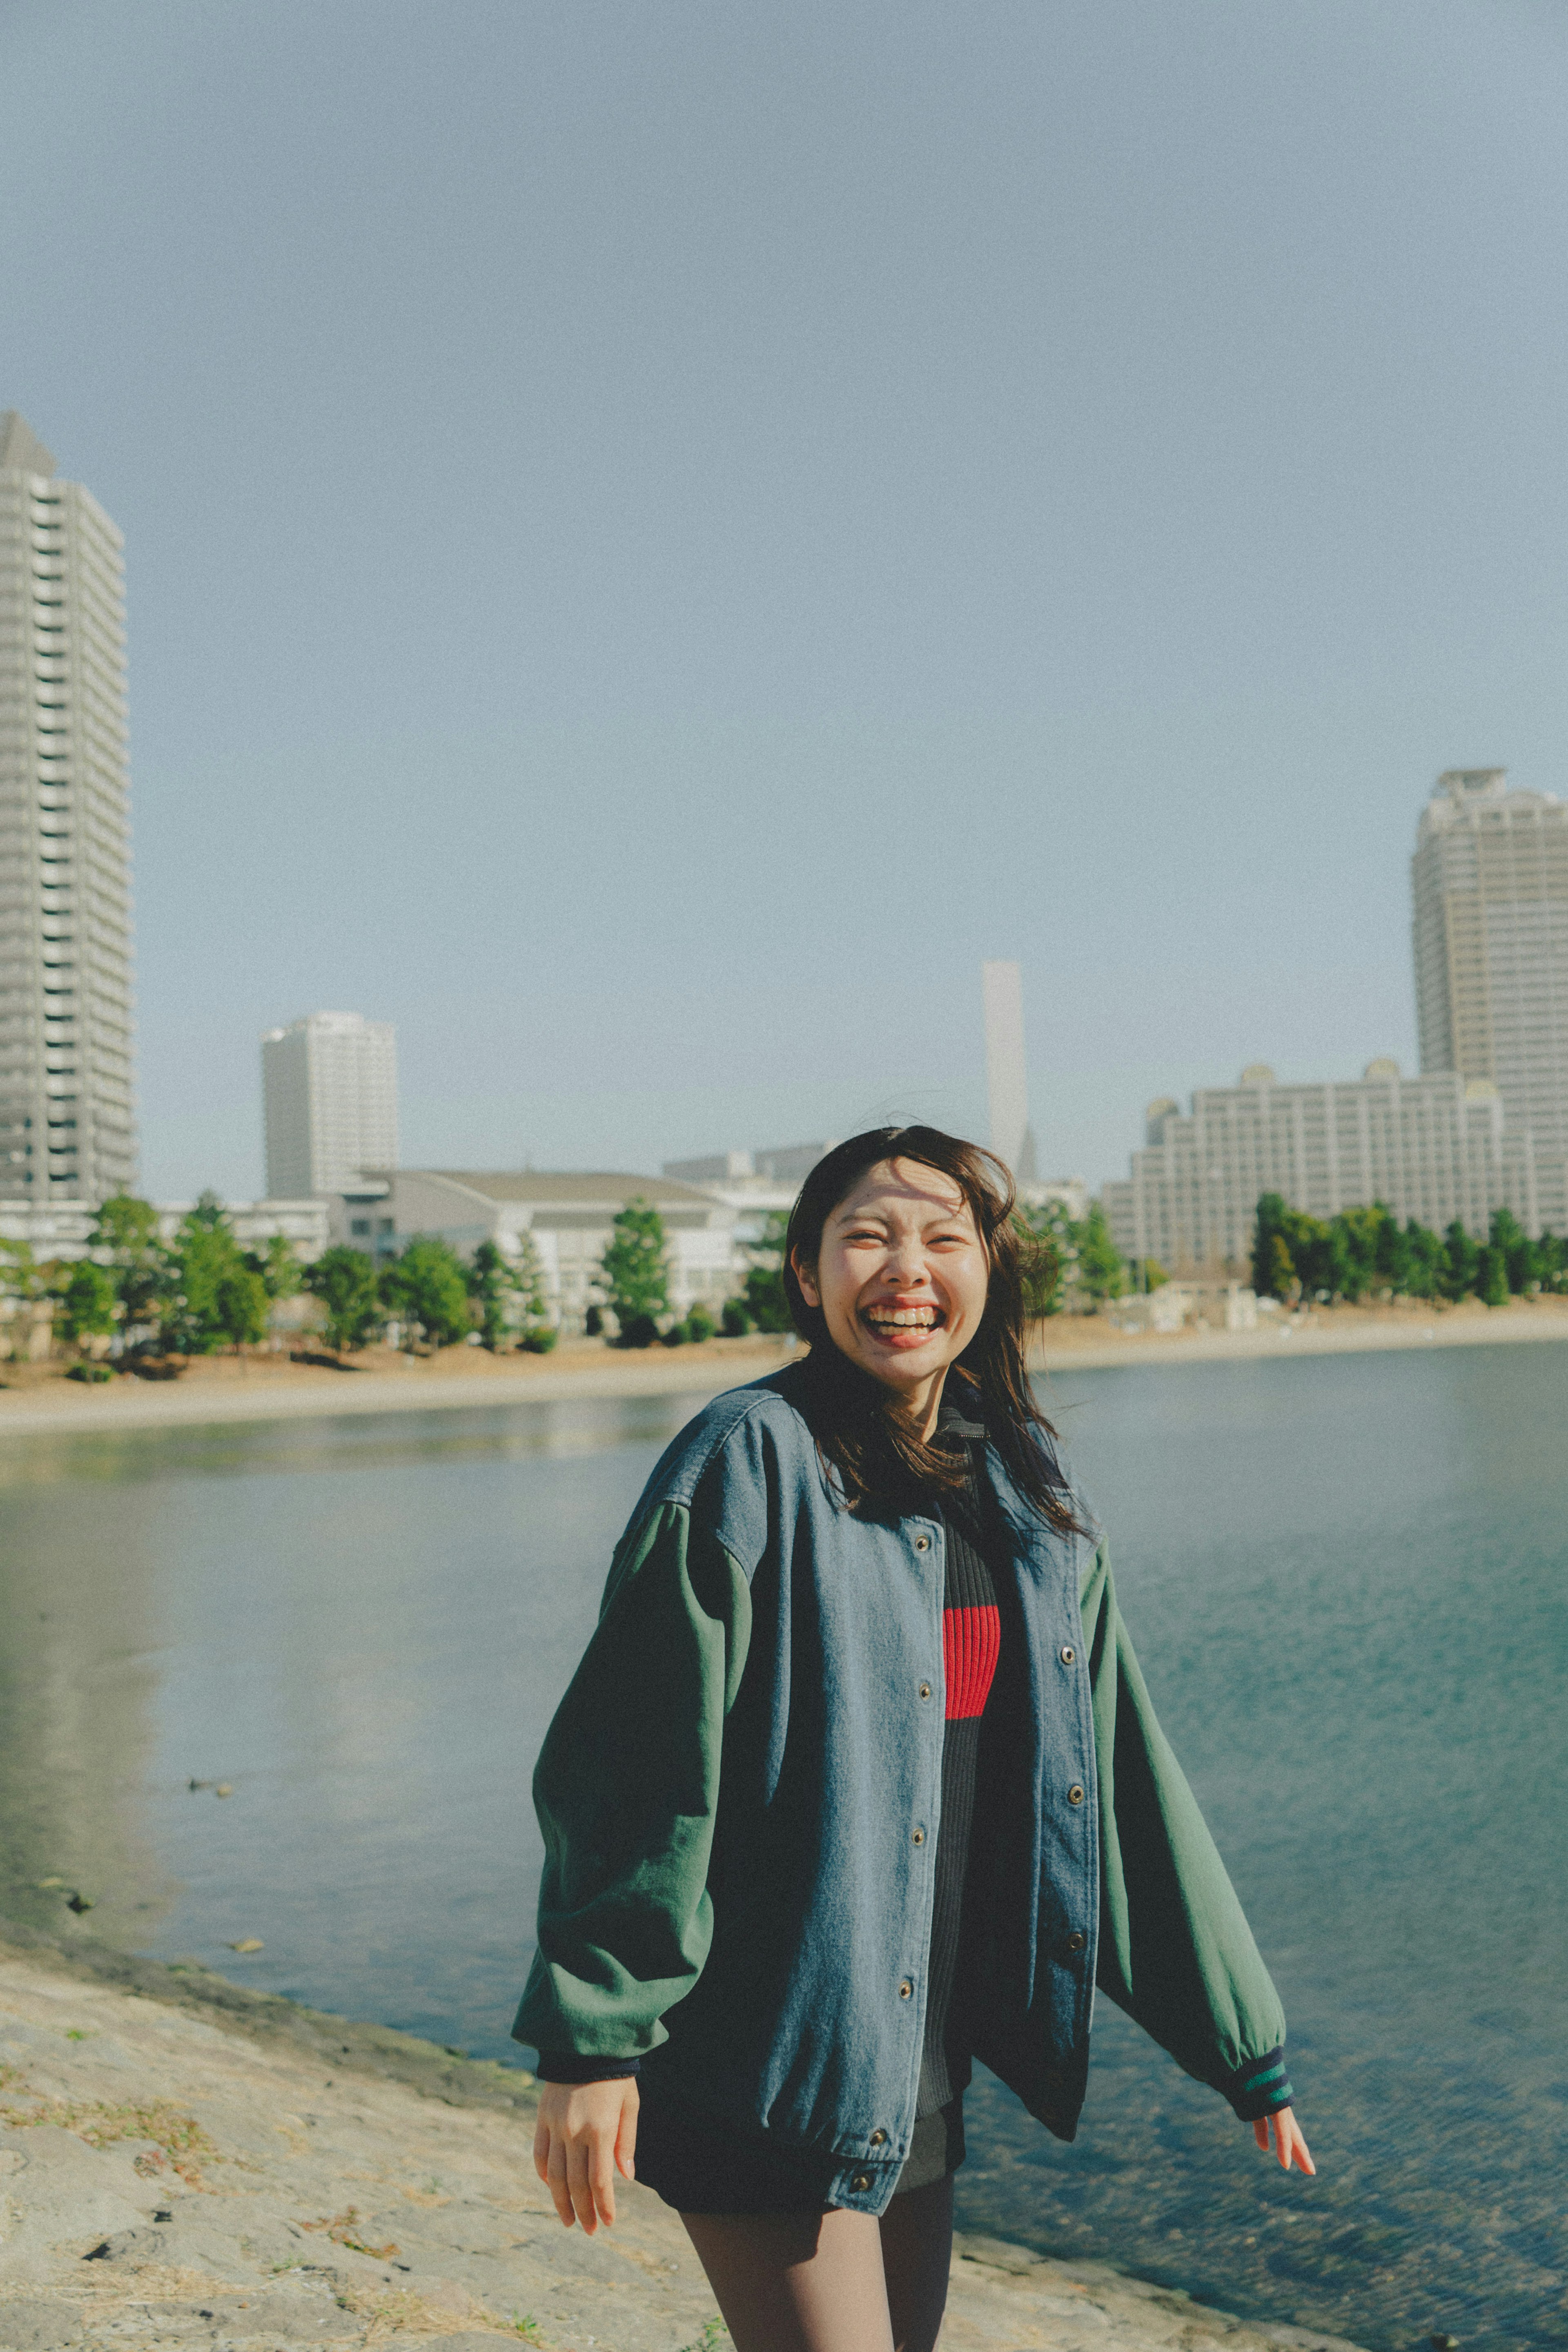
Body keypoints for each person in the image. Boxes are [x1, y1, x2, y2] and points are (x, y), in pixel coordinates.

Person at [516, 1127, 1313, 2352]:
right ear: (806, 1269)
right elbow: (635, 1773)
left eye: (944, 1238)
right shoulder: (746, 1462)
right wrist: (592, 2042)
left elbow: (1117, 1782)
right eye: (867, 1237)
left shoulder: (1027, 1488)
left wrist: (1239, 2043)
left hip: (918, 2057)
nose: (906, 1269)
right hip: (766, 2057)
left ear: (987, 1269)